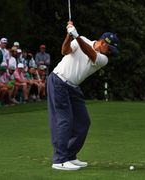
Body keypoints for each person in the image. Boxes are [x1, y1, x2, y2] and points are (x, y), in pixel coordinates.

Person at [47, 21, 119, 170]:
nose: (110, 53)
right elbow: (64, 51)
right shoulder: (83, 40)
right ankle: (59, 160)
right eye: (110, 49)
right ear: (103, 42)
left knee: (83, 122)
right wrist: (69, 35)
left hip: (73, 87)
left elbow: (89, 53)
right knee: (65, 120)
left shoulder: (103, 59)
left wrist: (76, 36)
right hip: (58, 81)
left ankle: (70, 156)